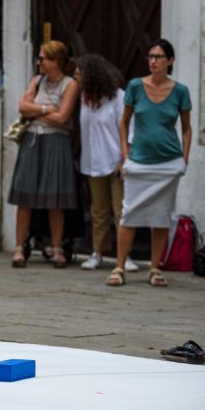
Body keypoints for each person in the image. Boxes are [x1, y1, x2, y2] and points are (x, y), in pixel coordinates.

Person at [106, 39, 192, 287]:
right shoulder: (135, 86)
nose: (153, 61)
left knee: (161, 216)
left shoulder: (180, 91)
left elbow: (186, 128)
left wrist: (184, 157)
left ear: (170, 61)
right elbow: (123, 122)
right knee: (129, 213)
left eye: (159, 56)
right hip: (139, 160)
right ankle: (119, 266)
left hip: (168, 162)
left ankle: (155, 268)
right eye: (151, 56)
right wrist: (125, 154)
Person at [8, 40, 79, 268]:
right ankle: (19, 247)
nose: (38, 62)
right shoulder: (37, 81)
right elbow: (22, 107)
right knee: (25, 196)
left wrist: (35, 112)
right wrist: (48, 110)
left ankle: (57, 248)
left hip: (56, 142)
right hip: (32, 140)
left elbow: (63, 118)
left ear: (55, 61)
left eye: (42, 58)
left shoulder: (70, 85)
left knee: (54, 198)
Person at [75, 54, 138, 272]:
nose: (76, 75)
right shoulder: (85, 99)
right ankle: (97, 252)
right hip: (94, 162)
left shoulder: (119, 98)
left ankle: (125, 255)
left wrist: (125, 157)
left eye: (79, 72)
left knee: (120, 210)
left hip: (115, 161)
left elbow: (130, 128)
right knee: (98, 211)